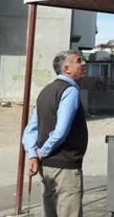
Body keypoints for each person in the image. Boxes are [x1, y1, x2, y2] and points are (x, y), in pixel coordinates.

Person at [22, 50, 88, 217]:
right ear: (67, 69)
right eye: (79, 61)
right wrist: (41, 153)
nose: (84, 64)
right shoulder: (70, 91)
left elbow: (30, 130)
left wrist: (33, 155)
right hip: (64, 167)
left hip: (47, 167)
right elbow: (60, 132)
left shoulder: (46, 91)